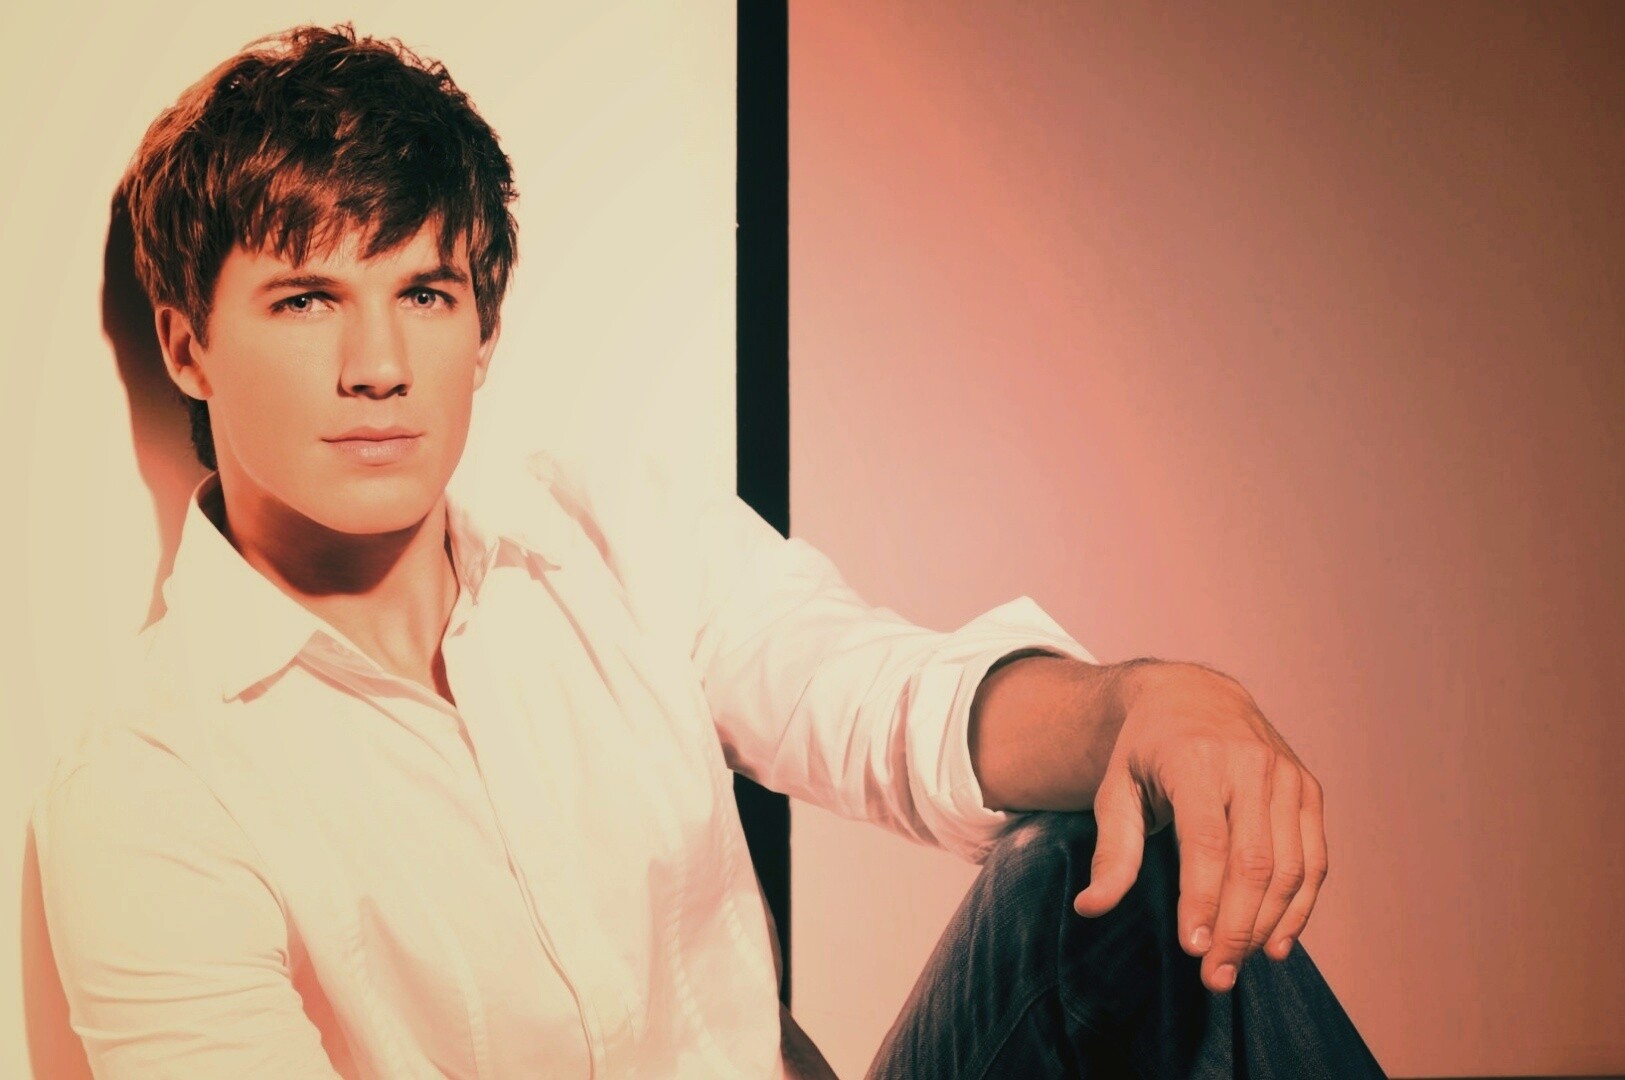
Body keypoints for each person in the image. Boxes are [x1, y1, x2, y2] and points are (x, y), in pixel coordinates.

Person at [31, 24, 1384, 1079]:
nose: (378, 365)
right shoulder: (149, 791)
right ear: (187, 344)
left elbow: (874, 699)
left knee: (1097, 867)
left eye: (425, 293)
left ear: (481, 330)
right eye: (307, 300)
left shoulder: (606, 539)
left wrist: (1146, 704)